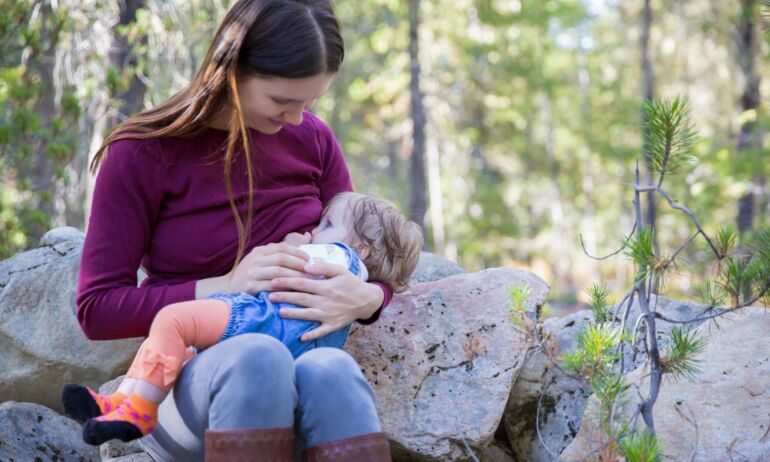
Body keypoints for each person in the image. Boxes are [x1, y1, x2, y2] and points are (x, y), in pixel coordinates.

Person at [73, 0, 416, 459]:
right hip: (196, 391)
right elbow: (98, 309)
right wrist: (226, 285)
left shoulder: (314, 140)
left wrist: (368, 298)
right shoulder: (140, 155)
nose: (297, 119)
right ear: (232, 70)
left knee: (333, 368)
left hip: (305, 379)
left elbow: (370, 255)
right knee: (258, 355)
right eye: (282, 101)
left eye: (310, 103)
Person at [63, 192, 422, 447]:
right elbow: (98, 307)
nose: (315, 229)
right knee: (184, 351)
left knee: (174, 322)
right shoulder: (351, 266)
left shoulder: (335, 255)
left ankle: (137, 407)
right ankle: (122, 403)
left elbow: (307, 260)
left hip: (259, 319)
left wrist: (297, 244)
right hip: (292, 351)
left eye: (325, 223)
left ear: (360, 249)